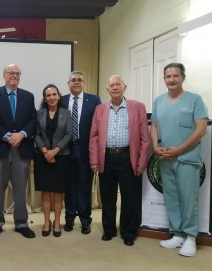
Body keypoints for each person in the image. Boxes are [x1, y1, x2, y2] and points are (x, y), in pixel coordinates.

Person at [150, 63, 208, 257]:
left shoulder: (195, 100)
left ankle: (191, 237)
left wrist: (180, 149)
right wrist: (155, 147)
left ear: (183, 77)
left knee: (188, 199)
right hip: (165, 158)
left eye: (175, 76)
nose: (172, 79)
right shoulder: (158, 101)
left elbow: (201, 128)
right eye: (168, 76)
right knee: (171, 198)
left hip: (187, 159)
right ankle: (177, 234)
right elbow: (154, 127)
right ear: (164, 79)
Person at [89, 75, 150, 246]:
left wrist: (141, 161)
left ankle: (128, 232)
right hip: (106, 157)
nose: (115, 87)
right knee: (108, 197)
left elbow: (145, 138)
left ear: (125, 87)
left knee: (130, 196)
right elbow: (93, 137)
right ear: (107, 89)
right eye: (111, 85)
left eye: (118, 84)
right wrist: (94, 159)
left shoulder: (137, 107)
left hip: (128, 157)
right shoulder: (100, 109)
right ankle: (109, 229)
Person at [0, 64, 37, 239]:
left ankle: (21, 223)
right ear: (4, 75)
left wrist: (21, 135)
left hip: (22, 149)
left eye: (17, 73)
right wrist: (8, 136)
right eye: (10, 73)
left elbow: (33, 120)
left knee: (21, 188)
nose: (14, 76)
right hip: (0, 148)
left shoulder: (28, 96)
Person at [62, 71, 101, 234]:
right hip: (65, 150)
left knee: (84, 186)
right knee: (69, 186)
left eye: (79, 80)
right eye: (73, 80)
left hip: (85, 150)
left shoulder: (94, 100)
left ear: (83, 82)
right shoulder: (61, 100)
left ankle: (85, 220)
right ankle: (69, 218)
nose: (76, 82)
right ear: (68, 83)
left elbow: (99, 125)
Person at [34, 84, 72, 237]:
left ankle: (57, 221)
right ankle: (46, 221)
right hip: (42, 156)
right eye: (48, 95)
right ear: (44, 98)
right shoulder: (39, 113)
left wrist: (54, 151)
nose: (51, 97)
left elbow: (68, 134)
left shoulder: (66, 113)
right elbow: (35, 134)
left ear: (59, 96)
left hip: (61, 157)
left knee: (57, 191)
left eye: (54, 94)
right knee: (45, 190)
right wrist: (45, 152)